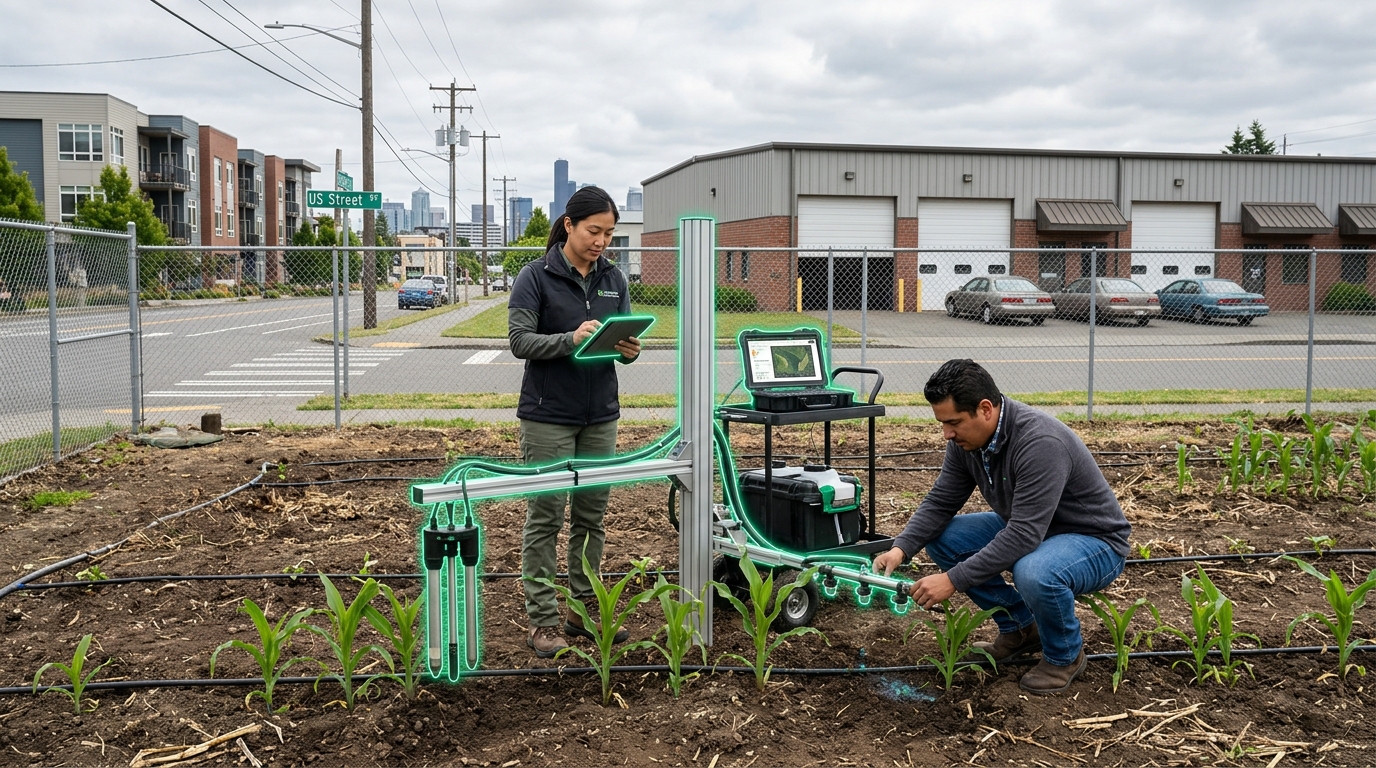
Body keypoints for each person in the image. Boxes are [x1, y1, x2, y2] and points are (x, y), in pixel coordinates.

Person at [873, 359, 1131, 693]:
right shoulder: (966, 443)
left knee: (1034, 571)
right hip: (1033, 526)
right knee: (944, 539)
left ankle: (1065, 654)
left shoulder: (1040, 442)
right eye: (942, 424)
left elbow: (1024, 535)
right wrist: (901, 547)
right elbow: (941, 501)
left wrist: (953, 580)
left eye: (953, 422)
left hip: (1092, 540)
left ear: (985, 409)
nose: (946, 434)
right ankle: (1022, 628)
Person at [507, 186, 642, 658]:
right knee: (545, 517)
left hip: (600, 414)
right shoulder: (535, 277)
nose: (602, 241)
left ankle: (581, 612)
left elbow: (620, 344)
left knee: (591, 516)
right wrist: (569, 338)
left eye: (608, 233)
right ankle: (543, 621)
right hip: (548, 416)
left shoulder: (614, 280)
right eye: (593, 231)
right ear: (569, 225)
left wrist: (628, 350)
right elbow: (520, 341)